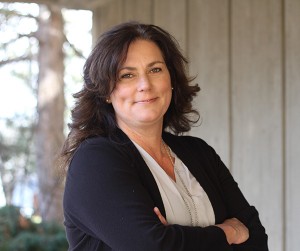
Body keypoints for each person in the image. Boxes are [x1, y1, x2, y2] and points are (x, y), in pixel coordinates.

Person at [60, 21, 268, 251]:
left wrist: (173, 237)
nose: (145, 85)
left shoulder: (200, 153)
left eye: (155, 69)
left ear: (171, 80)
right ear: (106, 91)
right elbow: (152, 246)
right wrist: (228, 232)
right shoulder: (95, 161)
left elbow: (256, 239)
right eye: (127, 75)